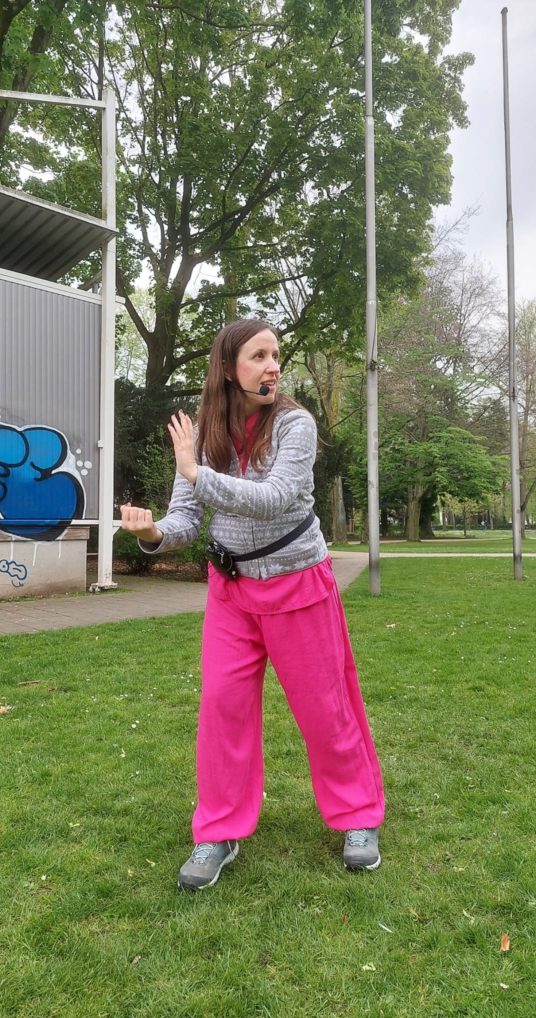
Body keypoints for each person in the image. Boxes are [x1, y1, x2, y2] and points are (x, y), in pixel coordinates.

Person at [121, 318, 384, 891]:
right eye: (259, 356)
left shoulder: (295, 423)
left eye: (276, 356)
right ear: (229, 366)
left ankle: (359, 817)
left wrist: (197, 472)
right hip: (232, 595)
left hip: (298, 586)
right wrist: (149, 533)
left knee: (325, 708)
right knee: (222, 709)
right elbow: (186, 521)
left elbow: (276, 499)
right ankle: (218, 830)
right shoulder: (206, 432)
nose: (272, 366)